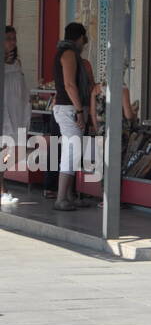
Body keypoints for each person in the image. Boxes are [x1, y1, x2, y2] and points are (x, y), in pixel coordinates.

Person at [51, 22, 93, 211]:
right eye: (84, 38)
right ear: (80, 38)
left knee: (73, 151)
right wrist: (79, 111)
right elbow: (69, 85)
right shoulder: (68, 54)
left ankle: (68, 195)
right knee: (72, 151)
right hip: (69, 109)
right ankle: (61, 198)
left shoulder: (67, 53)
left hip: (68, 108)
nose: (85, 42)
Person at [0, 27, 29, 206]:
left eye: (14, 38)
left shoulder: (17, 63)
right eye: (8, 38)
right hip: (5, 112)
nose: (12, 42)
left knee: (14, 151)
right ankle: (2, 189)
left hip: (17, 110)